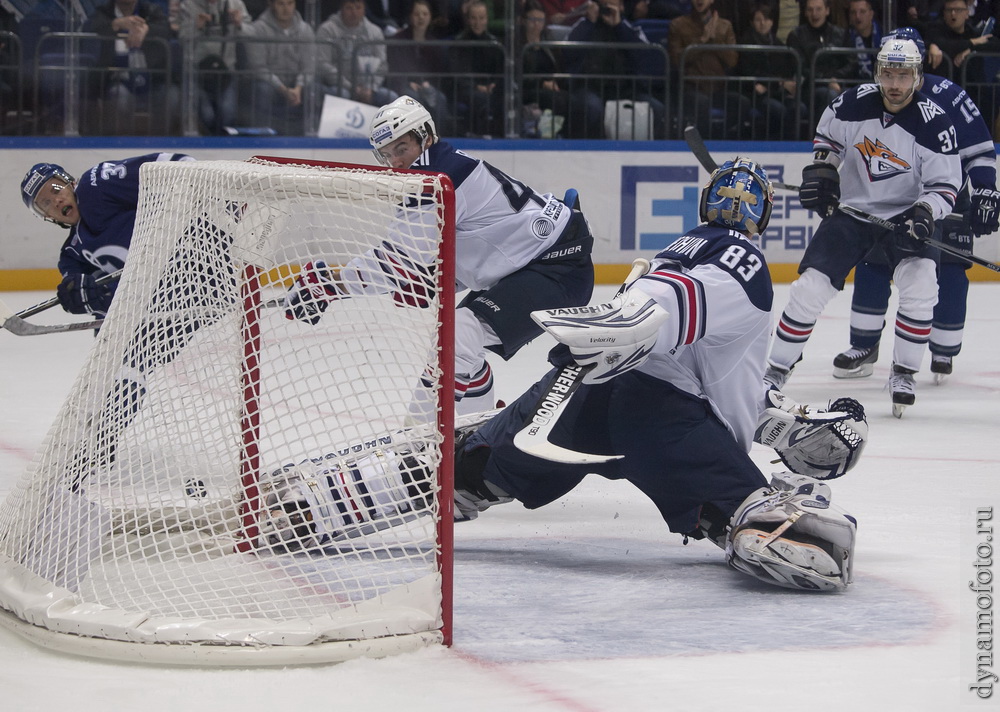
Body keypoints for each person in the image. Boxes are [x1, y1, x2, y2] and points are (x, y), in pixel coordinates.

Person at [266, 158, 864, 592]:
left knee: (472, 467)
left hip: (586, 389)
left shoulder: (669, 249)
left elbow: (692, 339)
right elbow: (674, 305)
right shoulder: (742, 255)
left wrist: (774, 418)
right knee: (811, 541)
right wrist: (638, 325)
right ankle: (748, 508)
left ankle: (319, 504)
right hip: (662, 416)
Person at [283, 96, 595, 417]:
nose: (396, 163)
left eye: (401, 149)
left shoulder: (436, 177)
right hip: (537, 260)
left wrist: (330, 284)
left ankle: (426, 444)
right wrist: (429, 278)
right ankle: (472, 434)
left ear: (426, 136)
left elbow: (397, 260)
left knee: (458, 338)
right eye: (386, 155)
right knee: (460, 347)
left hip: (557, 267)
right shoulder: (446, 165)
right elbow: (480, 239)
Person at [765, 38, 963, 417]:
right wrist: (824, 169)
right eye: (888, 73)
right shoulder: (852, 103)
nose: (894, 83)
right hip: (853, 214)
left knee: (922, 285)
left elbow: (945, 186)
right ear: (877, 72)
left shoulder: (935, 123)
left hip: (907, 220)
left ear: (917, 77)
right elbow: (828, 141)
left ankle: (903, 372)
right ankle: (776, 367)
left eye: (903, 75)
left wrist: (925, 212)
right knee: (809, 287)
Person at [832, 27, 1000, 383]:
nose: (895, 76)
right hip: (892, 199)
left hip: (948, 197)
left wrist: (986, 189)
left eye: (904, 67)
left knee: (952, 268)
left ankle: (943, 348)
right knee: (873, 262)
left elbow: (980, 150)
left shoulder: (949, 96)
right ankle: (864, 344)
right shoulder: (871, 98)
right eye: (888, 67)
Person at [19, 154, 202, 474]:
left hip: (197, 268)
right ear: (46, 216)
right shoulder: (72, 254)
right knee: (115, 361)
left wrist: (215, 195)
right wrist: (83, 297)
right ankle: (103, 438)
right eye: (44, 203)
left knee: (128, 356)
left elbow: (175, 163)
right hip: (165, 310)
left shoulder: (97, 185)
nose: (55, 200)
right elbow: (104, 309)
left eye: (56, 188)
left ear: (69, 181)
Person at [564, 0, 668, 139]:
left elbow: (646, 57)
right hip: (589, 86)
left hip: (625, 89)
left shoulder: (629, 28)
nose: (607, 9)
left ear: (621, 7)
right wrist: (590, 22)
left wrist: (620, 27)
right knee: (592, 108)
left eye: (612, 5)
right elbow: (568, 53)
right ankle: (591, 153)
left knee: (656, 108)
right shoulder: (584, 25)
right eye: (604, 5)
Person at [84, 0, 180, 135]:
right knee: (119, 96)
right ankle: (121, 143)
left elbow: (166, 30)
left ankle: (159, 142)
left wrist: (147, 29)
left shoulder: (151, 11)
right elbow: (88, 29)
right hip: (118, 79)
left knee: (172, 96)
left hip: (153, 80)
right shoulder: (104, 13)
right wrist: (115, 24)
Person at [669, 0, 754, 140]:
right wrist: (702, 41)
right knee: (702, 102)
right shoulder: (678, 25)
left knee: (742, 103)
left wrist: (715, 40)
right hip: (691, 88)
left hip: (718, 88)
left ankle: (718, 135)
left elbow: (732, 60)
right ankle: (706, 144)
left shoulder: (724, 26)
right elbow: (677, 59)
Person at [518, 0, 604, 138]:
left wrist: (556, 82)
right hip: (528, 89)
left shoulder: (548, 40)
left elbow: (559, 66)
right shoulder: (518, 45)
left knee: (579, 104)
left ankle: (572, 138)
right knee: (562, 101)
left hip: (552, 88)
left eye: (540, 20)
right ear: (523, 20)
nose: (536, 24)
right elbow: (518, 74)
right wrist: (542, 83)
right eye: (532, 20)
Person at [243, 0, 317, 135]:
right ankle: (264, 135)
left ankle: (311, 133)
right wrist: (283, 89)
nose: (286, 9)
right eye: (281, 4)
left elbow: (309, 66)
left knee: (315, 91)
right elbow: (258, 67)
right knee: (262, 90)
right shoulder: (258, 29)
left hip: (296, 85)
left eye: (290, 3)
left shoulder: (305, 30)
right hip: (270, 83)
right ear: (271, 5)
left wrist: (298, 88)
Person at [176, 0, 250, 135]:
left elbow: (252, 35)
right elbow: (182, 38)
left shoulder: (235, 4)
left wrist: (240, 24)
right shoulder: (188, 5)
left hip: (226, 70)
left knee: (228, 112)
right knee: (206, 114)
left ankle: (225, 149)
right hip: (197, 71)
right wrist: (196, 27)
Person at [738, 2, 806, 140]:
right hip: (756, 95)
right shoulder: (746, 43)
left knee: (800, 108)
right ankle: (776, 143)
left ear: (772, 22)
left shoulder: (779, 45)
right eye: (758, 20)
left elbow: (784, 73)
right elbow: (749, 72)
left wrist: (782, 84)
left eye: (766, 19)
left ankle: (790, 145)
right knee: (778, 110)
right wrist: (778, 83)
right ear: (752, 22)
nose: (762, 23)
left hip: (776, 93)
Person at [386, 0, 454, 135]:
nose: (421, 17)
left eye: (424, 14)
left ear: (430, 17)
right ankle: (415, 138)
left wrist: (428, 83)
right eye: (417, 14)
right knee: (412, 98)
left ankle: (438, 136)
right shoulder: (398, 40)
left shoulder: (434, 44)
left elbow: (439, 72)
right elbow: (394, 67)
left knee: (439, 98)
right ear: (410, 17)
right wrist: (408, 82)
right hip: (403, 84)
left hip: (427, 85)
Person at [318, 0, 399, 108]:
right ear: (341, 9)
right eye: (349, 8)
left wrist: (371, 88)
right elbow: (323, 64)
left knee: (392, 98)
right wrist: (351, 87)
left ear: (364, 9)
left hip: (368, 88)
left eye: (358, 7)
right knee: (343, 95)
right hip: (339, 86)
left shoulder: (375, 32)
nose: (354, 12)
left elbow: (382, 65)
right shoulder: (327, 30)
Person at [785, 0, 853, 123]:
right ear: (805, 12)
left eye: (818, 9)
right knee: (829, 95)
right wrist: (827, 81)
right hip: (809, 88)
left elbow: (851, 63)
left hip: (837, 84)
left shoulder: (841, 34)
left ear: (827, 10)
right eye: (810, 10)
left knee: (857, 96)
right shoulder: (796, 35)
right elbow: (800, 66)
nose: (814, 14)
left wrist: (836, 77)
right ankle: (821, 139)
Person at [448, 0, 505, 137]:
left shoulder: (495, 44)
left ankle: (499, 136)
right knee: (481, 100)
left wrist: (493, 85)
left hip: (491, 88)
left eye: (481, 18)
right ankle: (479, 135)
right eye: (473, 18)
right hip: (466, 89)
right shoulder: (459, 43)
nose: (477, 22)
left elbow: (500, 71)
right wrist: (476, 86)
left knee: (506, 98)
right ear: (467, 19)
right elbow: (457, 73)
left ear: (487, 19)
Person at [845, 0, 882, 80]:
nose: (857, 16)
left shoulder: (883, 33)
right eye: (853, 12)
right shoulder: (845, 37)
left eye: (862, 12)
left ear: (871, 14)